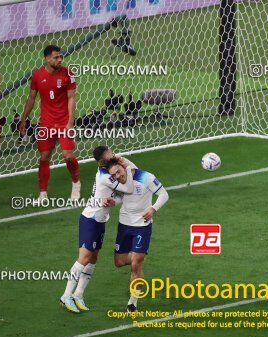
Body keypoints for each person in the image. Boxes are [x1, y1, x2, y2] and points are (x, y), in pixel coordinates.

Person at [60, 146, 135, 313]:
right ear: (102, 161)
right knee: (84, 258)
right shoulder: (105, 176)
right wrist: (127, 168)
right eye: (110, 154)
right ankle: (66, 296)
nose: (113, 154)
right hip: (90, 219)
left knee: (93, 259)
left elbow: (121, 196)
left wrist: (115, 201)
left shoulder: (109, 169)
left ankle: (78, 295)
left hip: (100, 220)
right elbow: (128, 189)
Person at [106, 159, 169, 312]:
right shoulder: (117, 182)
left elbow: (164, 194)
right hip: (124, 224)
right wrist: (114, 200)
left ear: (125, 167)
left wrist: (153, 209)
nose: (118, 176)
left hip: (142, 225)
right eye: (114, 175)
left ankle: (133, 302)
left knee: (136, 264)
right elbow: (122, 197)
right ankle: (138, 255)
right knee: (119, 262)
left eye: (119, 172)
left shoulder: (145, 177)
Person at [20, 45, 81, 200]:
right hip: (46, 123)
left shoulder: (68, 73)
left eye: (61, 56)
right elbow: (31, 98)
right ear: (47, 58)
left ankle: (76, 184)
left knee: (68, 156)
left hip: (64, 123)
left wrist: (70, 122)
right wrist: (23, 119)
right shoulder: (37, 76)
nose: (60, 59)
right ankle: (43, 193)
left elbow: (71, 98)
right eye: (56, 57)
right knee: (44, 157)